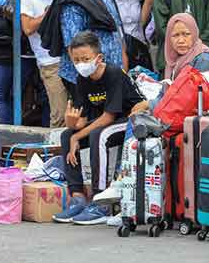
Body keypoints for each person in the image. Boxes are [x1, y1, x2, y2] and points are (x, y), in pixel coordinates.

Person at [52, 32, 144, 225]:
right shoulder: (82, 79)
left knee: (98, 135)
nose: (81, 64)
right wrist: (71, 125)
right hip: (107, 121)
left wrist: (77, 138)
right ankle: (77, 196)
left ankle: (100, 201)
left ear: (98, 58)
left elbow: (108, 116)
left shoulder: (113, 74)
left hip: (129, 119)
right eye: (76, 60)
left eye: (85, 59)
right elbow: (82, 120)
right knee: (66, 135)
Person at [38, 0, 127, 98]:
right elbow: (74, 46)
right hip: (86, 79)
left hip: (111, 74)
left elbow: (115, 30)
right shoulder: (73, 1)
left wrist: (122, 64)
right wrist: (92, 76)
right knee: (87, 121)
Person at [21, 0, 68, 127]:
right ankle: (55, 151)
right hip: (49, 63)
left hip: (64, 58)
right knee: (60, 113)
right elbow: (27, 28)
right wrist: (47, 14)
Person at [106, 0, 151, 70]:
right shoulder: (107, 3)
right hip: (118, 54)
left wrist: (145, 45)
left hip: (138, 52)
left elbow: (140, 27)